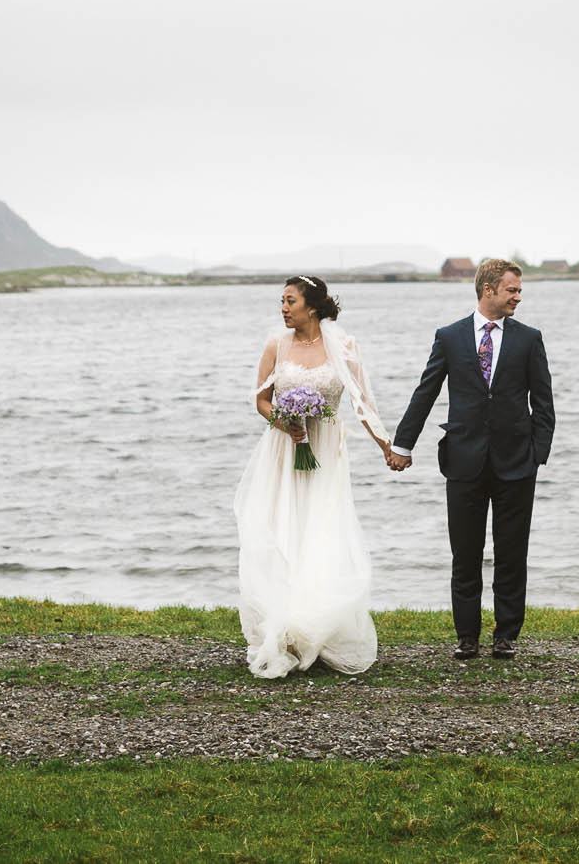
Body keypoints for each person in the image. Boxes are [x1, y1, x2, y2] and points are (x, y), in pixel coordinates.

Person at [389, 257, 555, 659]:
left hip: (517, 463)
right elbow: (425, 392)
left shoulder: (529, 338)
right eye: (512, 289)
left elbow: (543, 402)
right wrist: (402, 445)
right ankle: (467, 636)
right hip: (463, 461)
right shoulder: (449, 337)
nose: (519, 296)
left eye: (519, 290)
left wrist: (538, 455)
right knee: (464, 553)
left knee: (512, 553)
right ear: (489, 290)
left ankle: (506, 635)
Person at [233, 273, 398, 677]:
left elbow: (362, 404)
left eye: (290, 301)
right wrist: (284, 421)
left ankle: (319, 628)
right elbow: (260, 400)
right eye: (282, 301)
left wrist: (388, 447)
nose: (283, 308)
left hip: (324, 450)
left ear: (312, 305)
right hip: (282, 450)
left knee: (320, 531)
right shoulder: (277, 344)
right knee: (281, 531)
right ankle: (282, 627)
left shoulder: (344, 347)